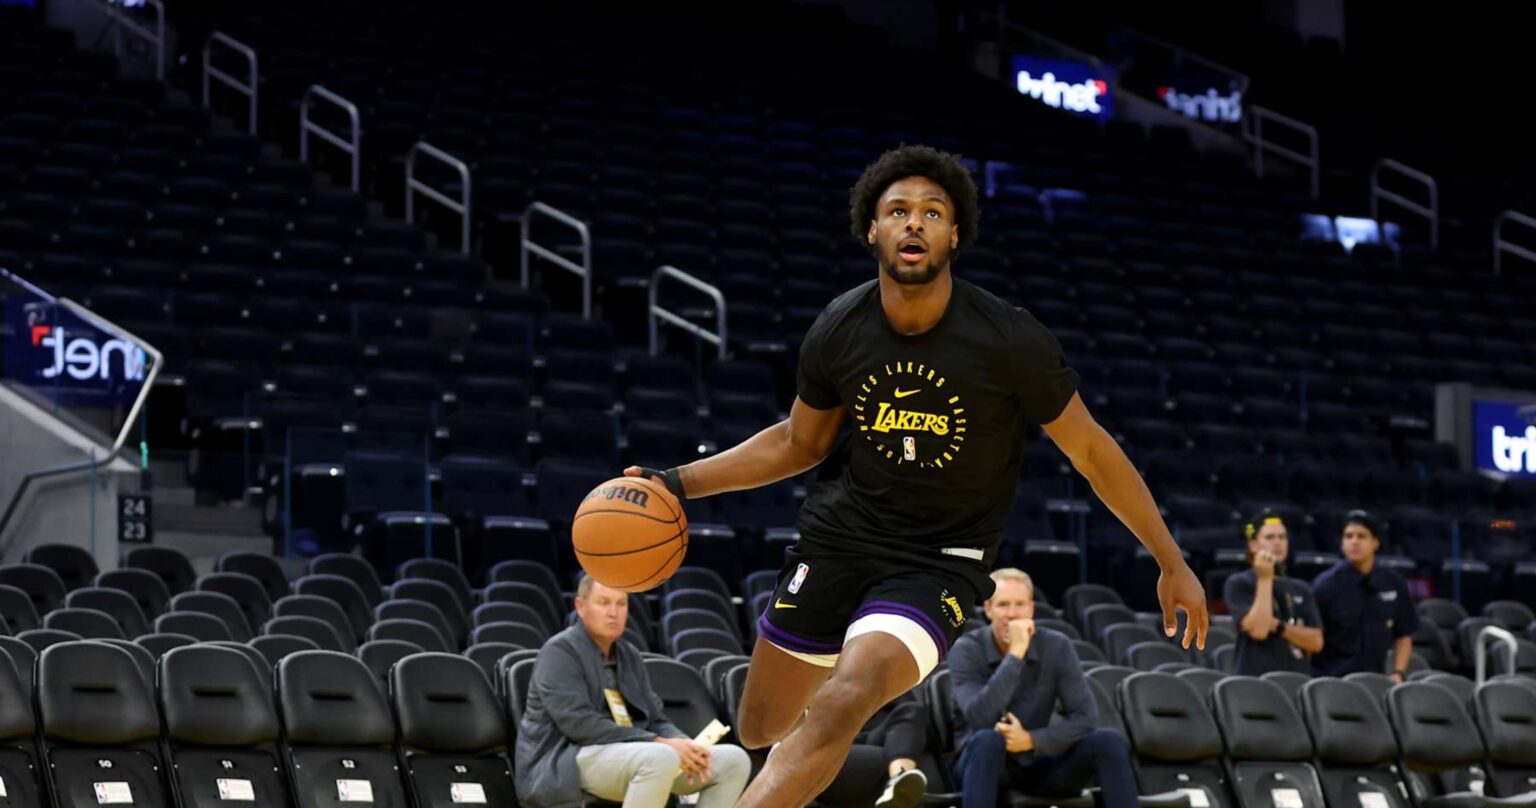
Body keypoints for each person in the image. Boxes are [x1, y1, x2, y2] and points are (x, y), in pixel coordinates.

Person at [625, 144, 1207, 808]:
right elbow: (797, 442)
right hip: (839, 539)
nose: (914, 223)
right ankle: (804, 757)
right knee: (763, 724)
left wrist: (1169, 558)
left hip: (939, 559)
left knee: (846, 695)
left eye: (933, 212)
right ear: (871, 228)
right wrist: (677, 482)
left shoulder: (1009, 339)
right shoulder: (841, 328)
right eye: (897, 210)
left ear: (955, 234)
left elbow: (1096, 453)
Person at [514, 575, 750, 808]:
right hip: (563, 759)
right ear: (580, 606)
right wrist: (659, 742)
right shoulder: (559, 652)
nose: (613, 612)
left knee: (732, 760)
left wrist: (685, 745)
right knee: (659, 757)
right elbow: (579, 725)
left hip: (629, 752)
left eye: (621, 604)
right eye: (603, 602)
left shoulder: (630, 655)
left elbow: (656, 719)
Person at [950, 568, 1138, 808]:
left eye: (1020, 604)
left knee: (1109, 741)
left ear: (1032, 609)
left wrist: (1031, 741)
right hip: (981, 767)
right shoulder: (966, 649)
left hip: (1039, 761)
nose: (1012, 614)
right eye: (1003, 605)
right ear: (988, 609)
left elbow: (1085, 718)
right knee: (988, 739)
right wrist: (1016, 654)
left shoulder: (1056, 645)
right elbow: (979, 717)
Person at [1311, 510, 1419, 680]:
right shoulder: (1325, 585)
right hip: (1333, 681)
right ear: (1342, 543)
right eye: (1348, 536)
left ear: (1375, 543)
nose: (1354, 542)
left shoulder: (1393, 582)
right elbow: (1311, 636)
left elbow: (1404, 634)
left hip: (1374, 681)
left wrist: (1398, 672)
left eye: (1361, 536)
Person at [1223, 509, 1324, 676]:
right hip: (1256, 681)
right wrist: (1264, 579)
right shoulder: (1239, 583)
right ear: (1253, 545)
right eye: (1270, 537)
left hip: (1296, 681)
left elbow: (1316, 642)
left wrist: (1277, 626)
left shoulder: (1301, 588)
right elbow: (1259, 630)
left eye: (1282, 537)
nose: (1278, 543)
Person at [816, 691, 930, 808]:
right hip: (824, 748)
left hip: (866, 736)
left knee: (910, 710)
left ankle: (899, 777)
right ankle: (900, 782)